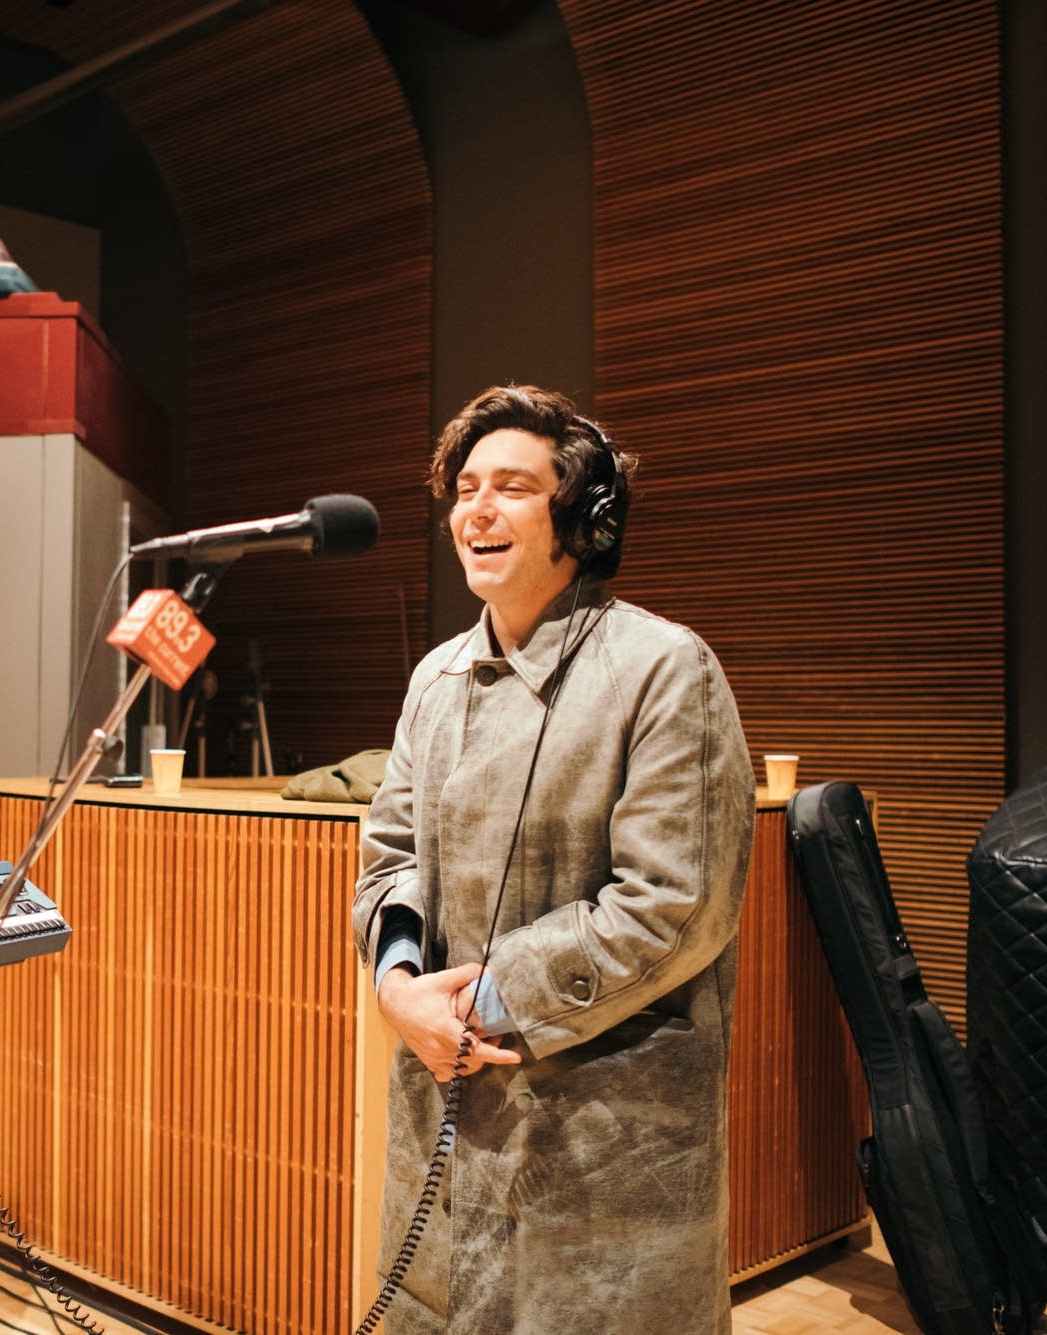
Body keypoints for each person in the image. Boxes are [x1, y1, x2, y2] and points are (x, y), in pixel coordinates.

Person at [352, 385, 753, 1333]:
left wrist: (479, 1005)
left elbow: (674, 904)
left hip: (604, 1146)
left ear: (583, 515)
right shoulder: (434, 677)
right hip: (443, 1118)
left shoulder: (665, 667)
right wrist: (399, 981)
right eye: (466, 488)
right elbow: (390, 856)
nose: (477, 509)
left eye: (513, 488)